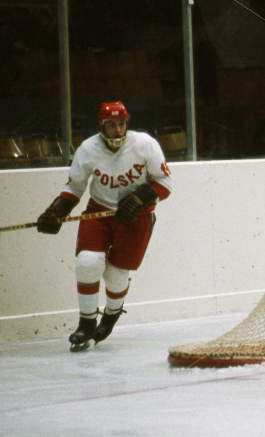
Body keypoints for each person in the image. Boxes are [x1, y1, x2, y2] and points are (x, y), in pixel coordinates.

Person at [36, 101, 172, 351]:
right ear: (100, 125)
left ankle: (111, 315)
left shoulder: (144, 144)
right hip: (98, 212)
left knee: (116, 275)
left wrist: (140, 199)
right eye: (112, 125)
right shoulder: (88, 149)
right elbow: (75, 186)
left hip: (136, 218)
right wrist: (57, 210)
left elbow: (165, 183)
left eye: (121, 123)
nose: (118, 129)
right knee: (87, 263)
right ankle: (86, 324)